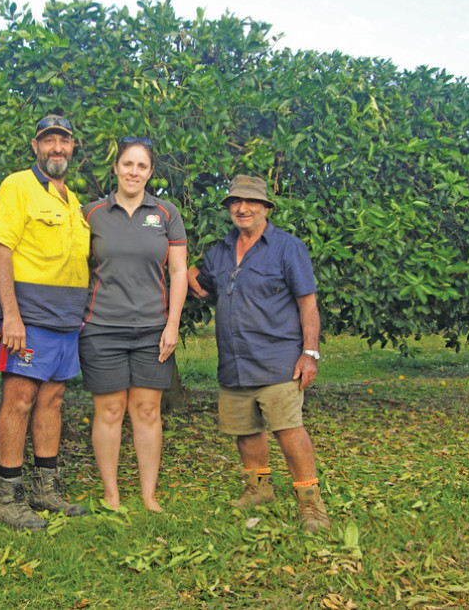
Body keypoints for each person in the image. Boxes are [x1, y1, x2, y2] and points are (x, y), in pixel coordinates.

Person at [188, 174, 331, 532]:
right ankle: (259, 488)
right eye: (236, 202)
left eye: (251, 202)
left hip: (278, 360)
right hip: (234, 362)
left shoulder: (287, 247)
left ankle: (310, 502)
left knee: (288, 430)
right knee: (245, 428)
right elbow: (202, 287)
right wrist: (179, 264)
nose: (242, 208)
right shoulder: (221, 250)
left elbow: (307, 303)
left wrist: (309, 352)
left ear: (266, 207)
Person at [0, 114, 91, 531]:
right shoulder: (17, 185)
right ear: (36, 146)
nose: (57, 149)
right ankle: (6, 496)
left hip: (67, 321)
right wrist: (10, 315)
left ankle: (45, 488)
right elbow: (0, 249)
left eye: (63, 142)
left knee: (52, 402)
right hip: (29, 319)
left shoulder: (73, 199)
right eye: (49, 141)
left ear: (72, 148)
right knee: (19, 401)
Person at [80, 137, 188, 512]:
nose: (134, 172)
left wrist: (172, 324)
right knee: (108, 412)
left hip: (151, 330)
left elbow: (178, 270)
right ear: (116, 168)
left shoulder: (166, 212)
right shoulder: (91, 213)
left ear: (150, 172)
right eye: (128, 164)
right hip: (101, 328)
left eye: (141, 166)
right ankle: (111, 494)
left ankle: (148, 494)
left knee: (147, 411)